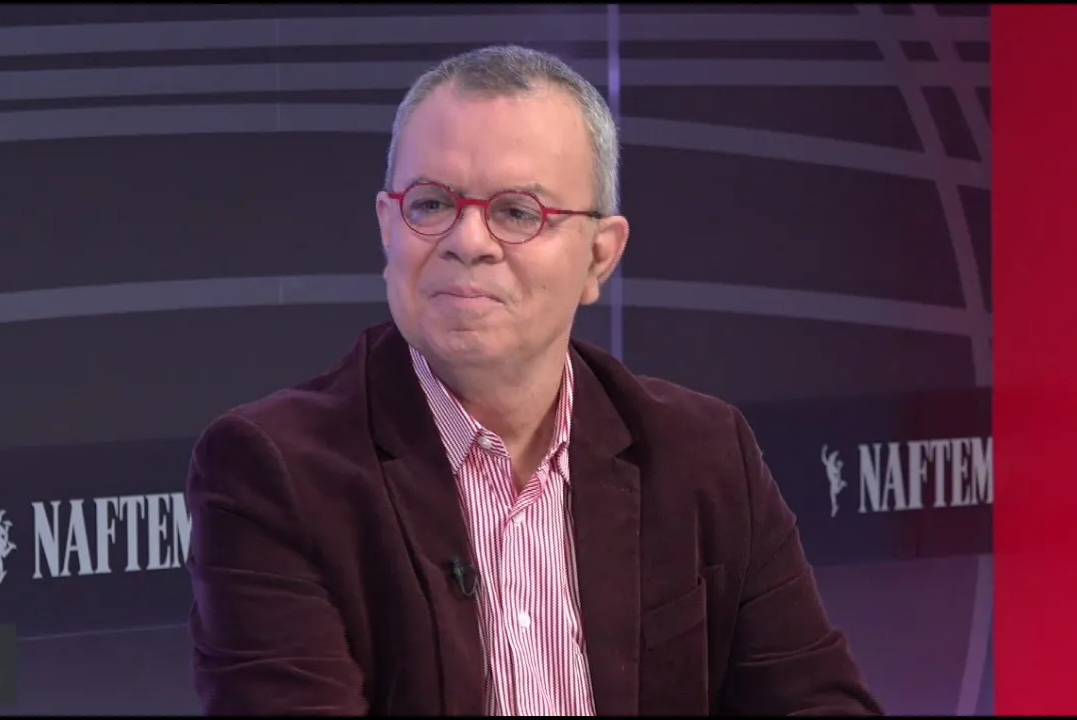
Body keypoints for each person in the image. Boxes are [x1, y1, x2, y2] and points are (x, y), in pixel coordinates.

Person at [186, 44, 883, 716]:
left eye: (517, 212)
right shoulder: (273, 472)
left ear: (599, 257)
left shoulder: (703, 453)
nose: (467, 241)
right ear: (387, 227)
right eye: (430, 204)